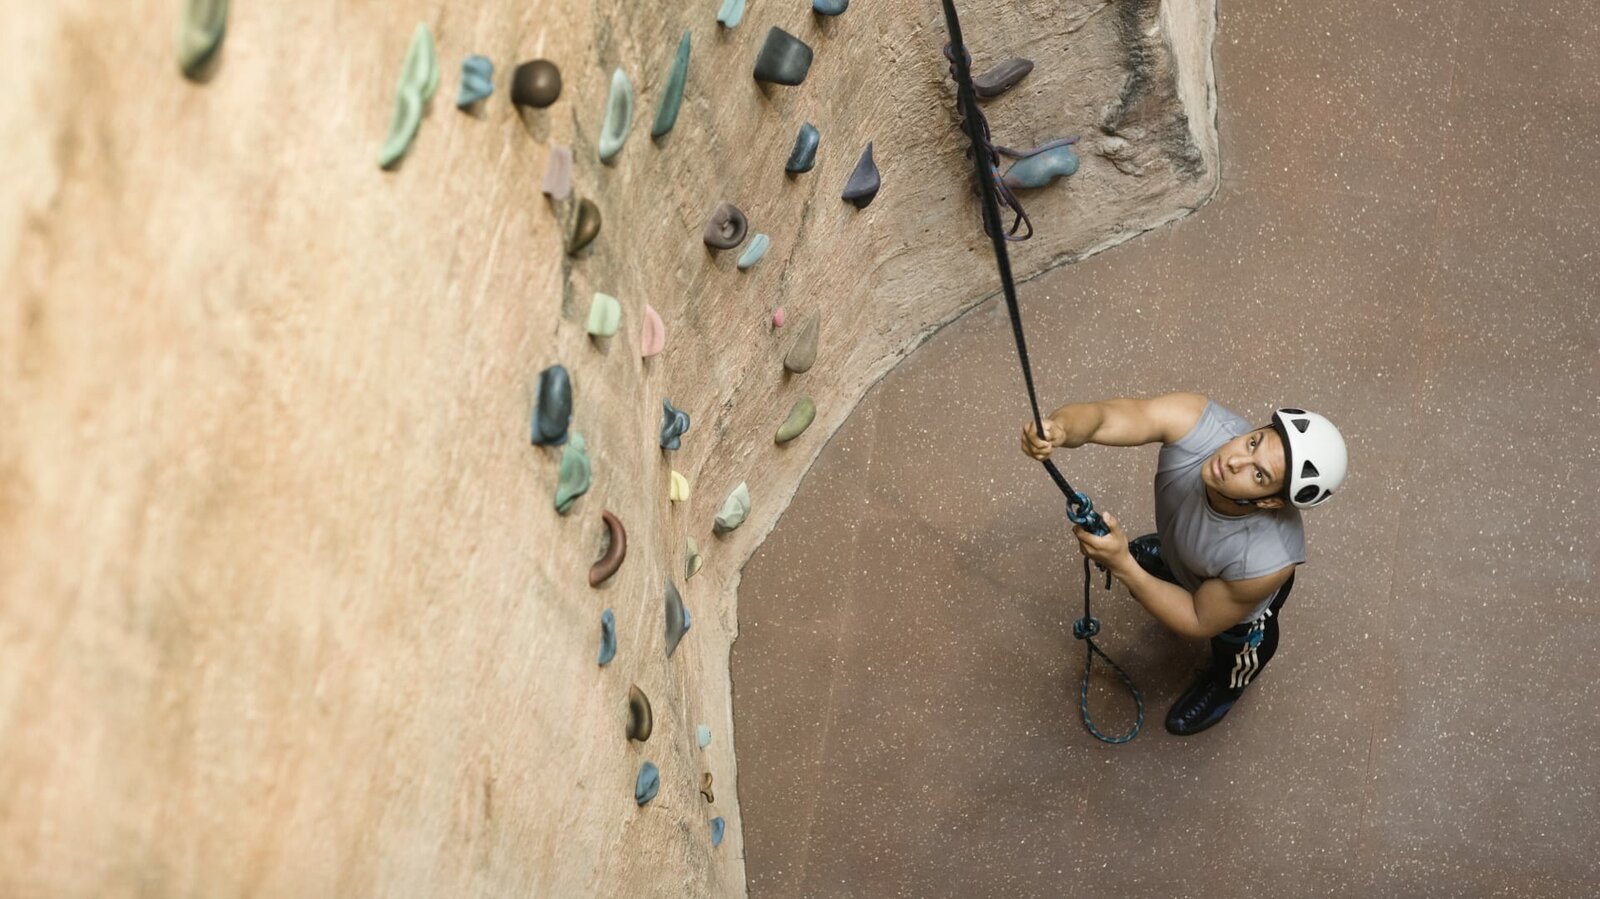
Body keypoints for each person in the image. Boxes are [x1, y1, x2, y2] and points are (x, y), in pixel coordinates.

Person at [1021, 393, 1348, 736]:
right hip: (1191, 551)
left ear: (1269, 501)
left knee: (1237, 650)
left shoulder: (1267, 561)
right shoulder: (1196, 421)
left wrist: (1123, 565)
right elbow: (1105, 417)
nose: (1235, 460)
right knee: (1179, 554)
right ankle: (1174, 561)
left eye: (1258, 475)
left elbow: (1198, 618)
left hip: (1235, 601)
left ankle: (1226, 686)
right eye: (1253, 442)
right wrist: (1061, 428)